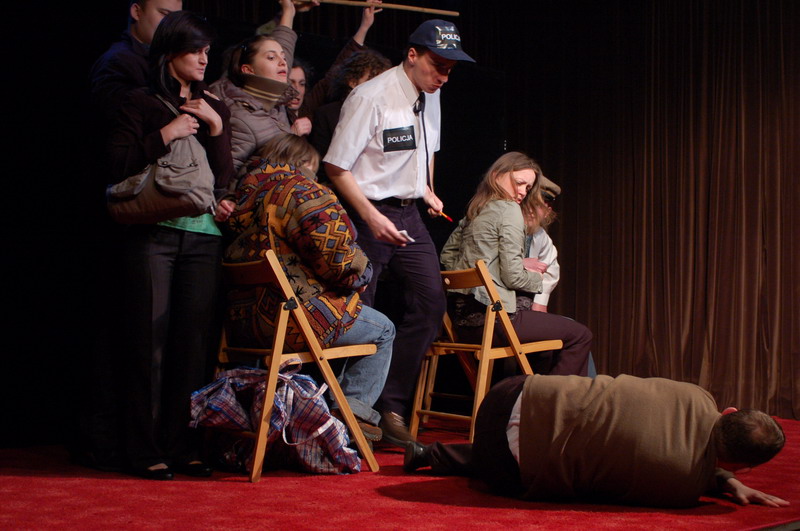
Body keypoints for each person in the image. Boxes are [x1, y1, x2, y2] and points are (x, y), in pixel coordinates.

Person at [324, 19, 475, 446]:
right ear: (412, 55)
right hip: (367, 214)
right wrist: (372, 217)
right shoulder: (370, 97)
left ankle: (389, 407)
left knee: (430, 303)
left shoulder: (432, 94)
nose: (443, 77)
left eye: (450, 69)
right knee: (361, 314)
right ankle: (345, 415)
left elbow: (427, 147)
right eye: (438, 66)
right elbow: (336, 166)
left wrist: (426, 188)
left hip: (409, 215)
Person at [109, 10, 235, 480]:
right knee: (149, 343)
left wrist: (216, 130)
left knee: (192, 347)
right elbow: (116, 164)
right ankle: (142, 448)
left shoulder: (214, 107)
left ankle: (183, 446)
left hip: (203, 237)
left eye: (207, 51)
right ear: (170, 52)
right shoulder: (139, 101)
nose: (204, 59)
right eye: (195, 50)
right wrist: (167, 132)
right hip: (153, 232)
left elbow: (223, 179)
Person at [224, 134, 394, 442]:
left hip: (243, 324)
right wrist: (363, 273)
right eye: (314, 170)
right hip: (291, 322)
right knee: (382, 329)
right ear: (303, 163)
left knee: (345, 320)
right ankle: (346, 422)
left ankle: (321, 415)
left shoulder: (244, 195)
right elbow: (341, 263)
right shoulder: (301, 191)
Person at [404, 373, 789, 509]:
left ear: (728, 411)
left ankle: (429, 453)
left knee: (587, 429)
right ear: (743, 465)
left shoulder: (697, 395)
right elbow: (690, 466)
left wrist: (725, 478)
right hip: (503, 466)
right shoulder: (685, 489)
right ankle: (432, 456)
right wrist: (728, 480)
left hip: (508, 393)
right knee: (558, 454)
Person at [77, 0, 184, 473]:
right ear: (136, 11)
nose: (170, 24)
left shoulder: (162, 66)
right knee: (121, 336)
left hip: (161, 217)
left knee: (150, 337)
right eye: (163, 13)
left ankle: (142, 441)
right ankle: (105, 444)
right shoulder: (120, 63)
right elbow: (118, 135)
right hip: (124, 215)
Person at [440, 152, 592, 377]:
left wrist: (485, 272)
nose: (522, 192)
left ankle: (529, 394)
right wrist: (537, 278)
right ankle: (551, 397)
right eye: (519, 183)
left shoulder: (477, 208)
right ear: (497, 176)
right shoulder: (509, 210)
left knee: (546, 343)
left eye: (528, 188)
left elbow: (446, 257)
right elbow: (514, 277)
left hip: (461, 325)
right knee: (580, 334)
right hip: (494, 324)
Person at [210, 0, 313, 172]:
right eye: (271, 58)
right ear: (248, 70)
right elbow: (227, 174)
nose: (283, 62)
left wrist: (289, 10)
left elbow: (285, 44)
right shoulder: (241, 118)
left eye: (283, 57)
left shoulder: (271, 90)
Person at [309, 49, 391, 184]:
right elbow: (321, 164)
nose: (377, 88)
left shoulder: (387, 115)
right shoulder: (327, 114)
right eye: (371, 80)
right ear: (352, 81)